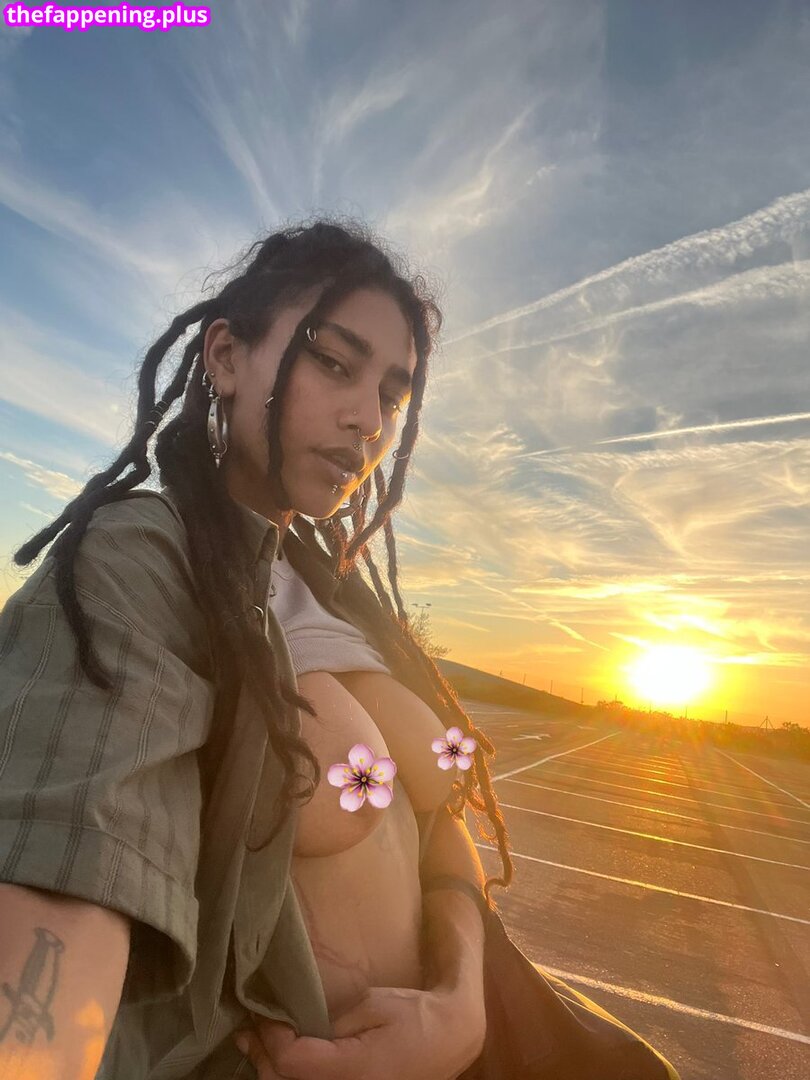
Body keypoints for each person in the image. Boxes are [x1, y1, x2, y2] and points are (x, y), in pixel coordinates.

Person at [0, 219, 511, 1080]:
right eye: (335, 362)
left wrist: (462, 1002)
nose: (367, 419)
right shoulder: (143, 562)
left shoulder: (339, 594)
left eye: (392, 395)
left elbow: (441, 816)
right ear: (227, 358)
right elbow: (66, 887)